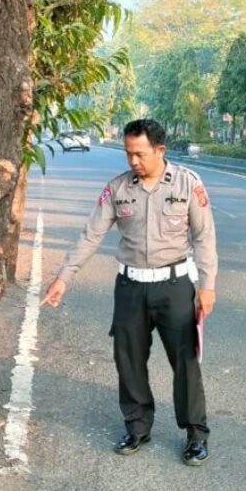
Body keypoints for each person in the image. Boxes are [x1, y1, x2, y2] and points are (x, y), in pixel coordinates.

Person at [43, 118, 218, 466]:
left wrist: (207, 286)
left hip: (174, 287)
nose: (133, 161)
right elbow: (91, 234)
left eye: (139, 154)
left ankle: (196, 434)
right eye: (128, 154)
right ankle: (138, 426)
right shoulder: (118, 189)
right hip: (130, 288)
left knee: (185, 363)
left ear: (159, 150)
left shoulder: (187, 183)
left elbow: (204, 238)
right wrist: (64, 276)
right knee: (129, 361)